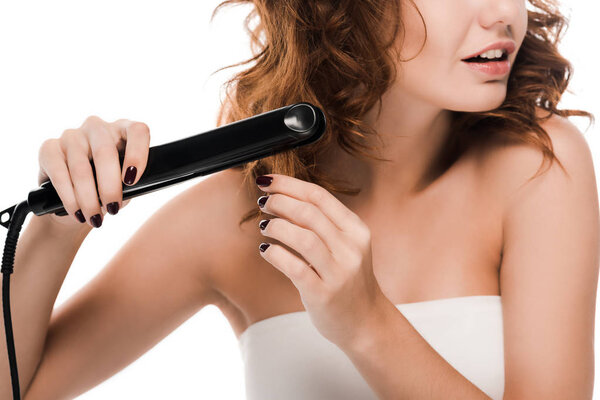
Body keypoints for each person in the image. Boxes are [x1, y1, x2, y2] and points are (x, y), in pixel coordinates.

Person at [1, 0, 598, 399]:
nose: (499, 14)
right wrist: (64, 219)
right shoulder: (233, 217)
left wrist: (367, 325)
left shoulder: (536, 168)